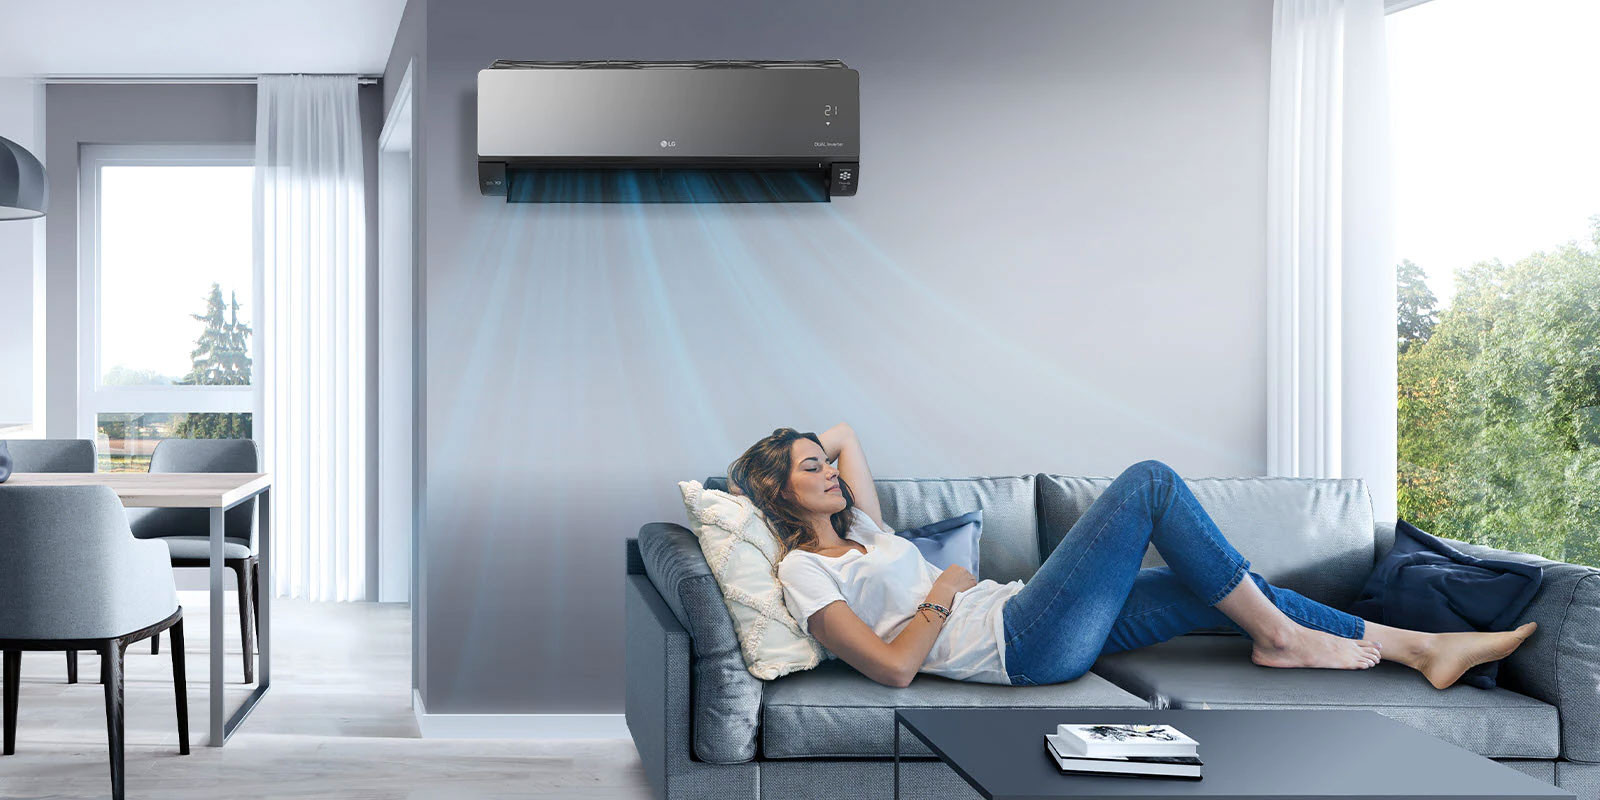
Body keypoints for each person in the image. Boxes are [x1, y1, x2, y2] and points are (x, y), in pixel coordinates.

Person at [726, 424, 1538, 689]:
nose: (831, 471)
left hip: (1020, 612)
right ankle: (1287, 639)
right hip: (1021, 644)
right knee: (1150, 483)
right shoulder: (804, 571)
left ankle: (1420, 648)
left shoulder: (863, 530)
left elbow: (842, 433)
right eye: (810, 470)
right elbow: (893, 669)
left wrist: (799, 451)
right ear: (779, 492)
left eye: (825, 467)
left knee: (1208, 585)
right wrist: (942, 587)